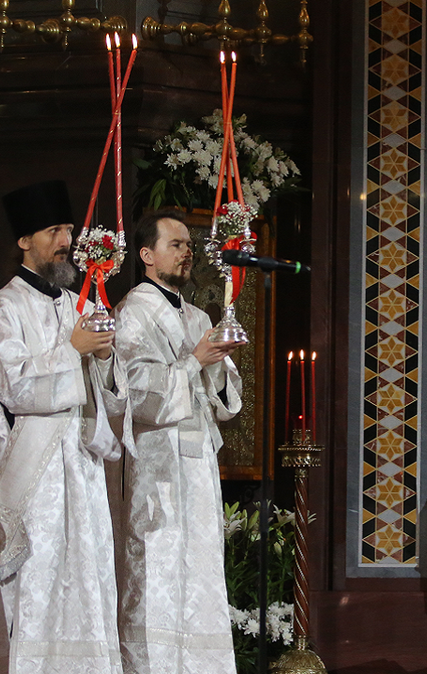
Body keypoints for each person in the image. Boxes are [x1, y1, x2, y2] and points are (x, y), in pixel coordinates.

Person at [0, 180, 124, 674]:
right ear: (24, 241)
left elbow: (112, 392)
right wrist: (74, 351)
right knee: (39, 578)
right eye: (54, 230)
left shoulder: (77, 304)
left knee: (86, 574)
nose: (65, 240)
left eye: (68, 229)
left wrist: (103, 360)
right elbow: (15, 389)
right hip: (34, 467)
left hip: (79, 463)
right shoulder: (3, 308)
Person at [109, 209, 244, 674]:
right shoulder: (130, 313)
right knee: (157, 571)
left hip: (198, 464)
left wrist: (212, 364)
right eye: (176, 244)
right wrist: (193, 361)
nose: (187, 252)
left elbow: (227, 402)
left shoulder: (198, 314)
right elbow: (137, 395)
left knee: (200, 571)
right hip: (157, 464)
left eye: (189, 245)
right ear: (147, 255)